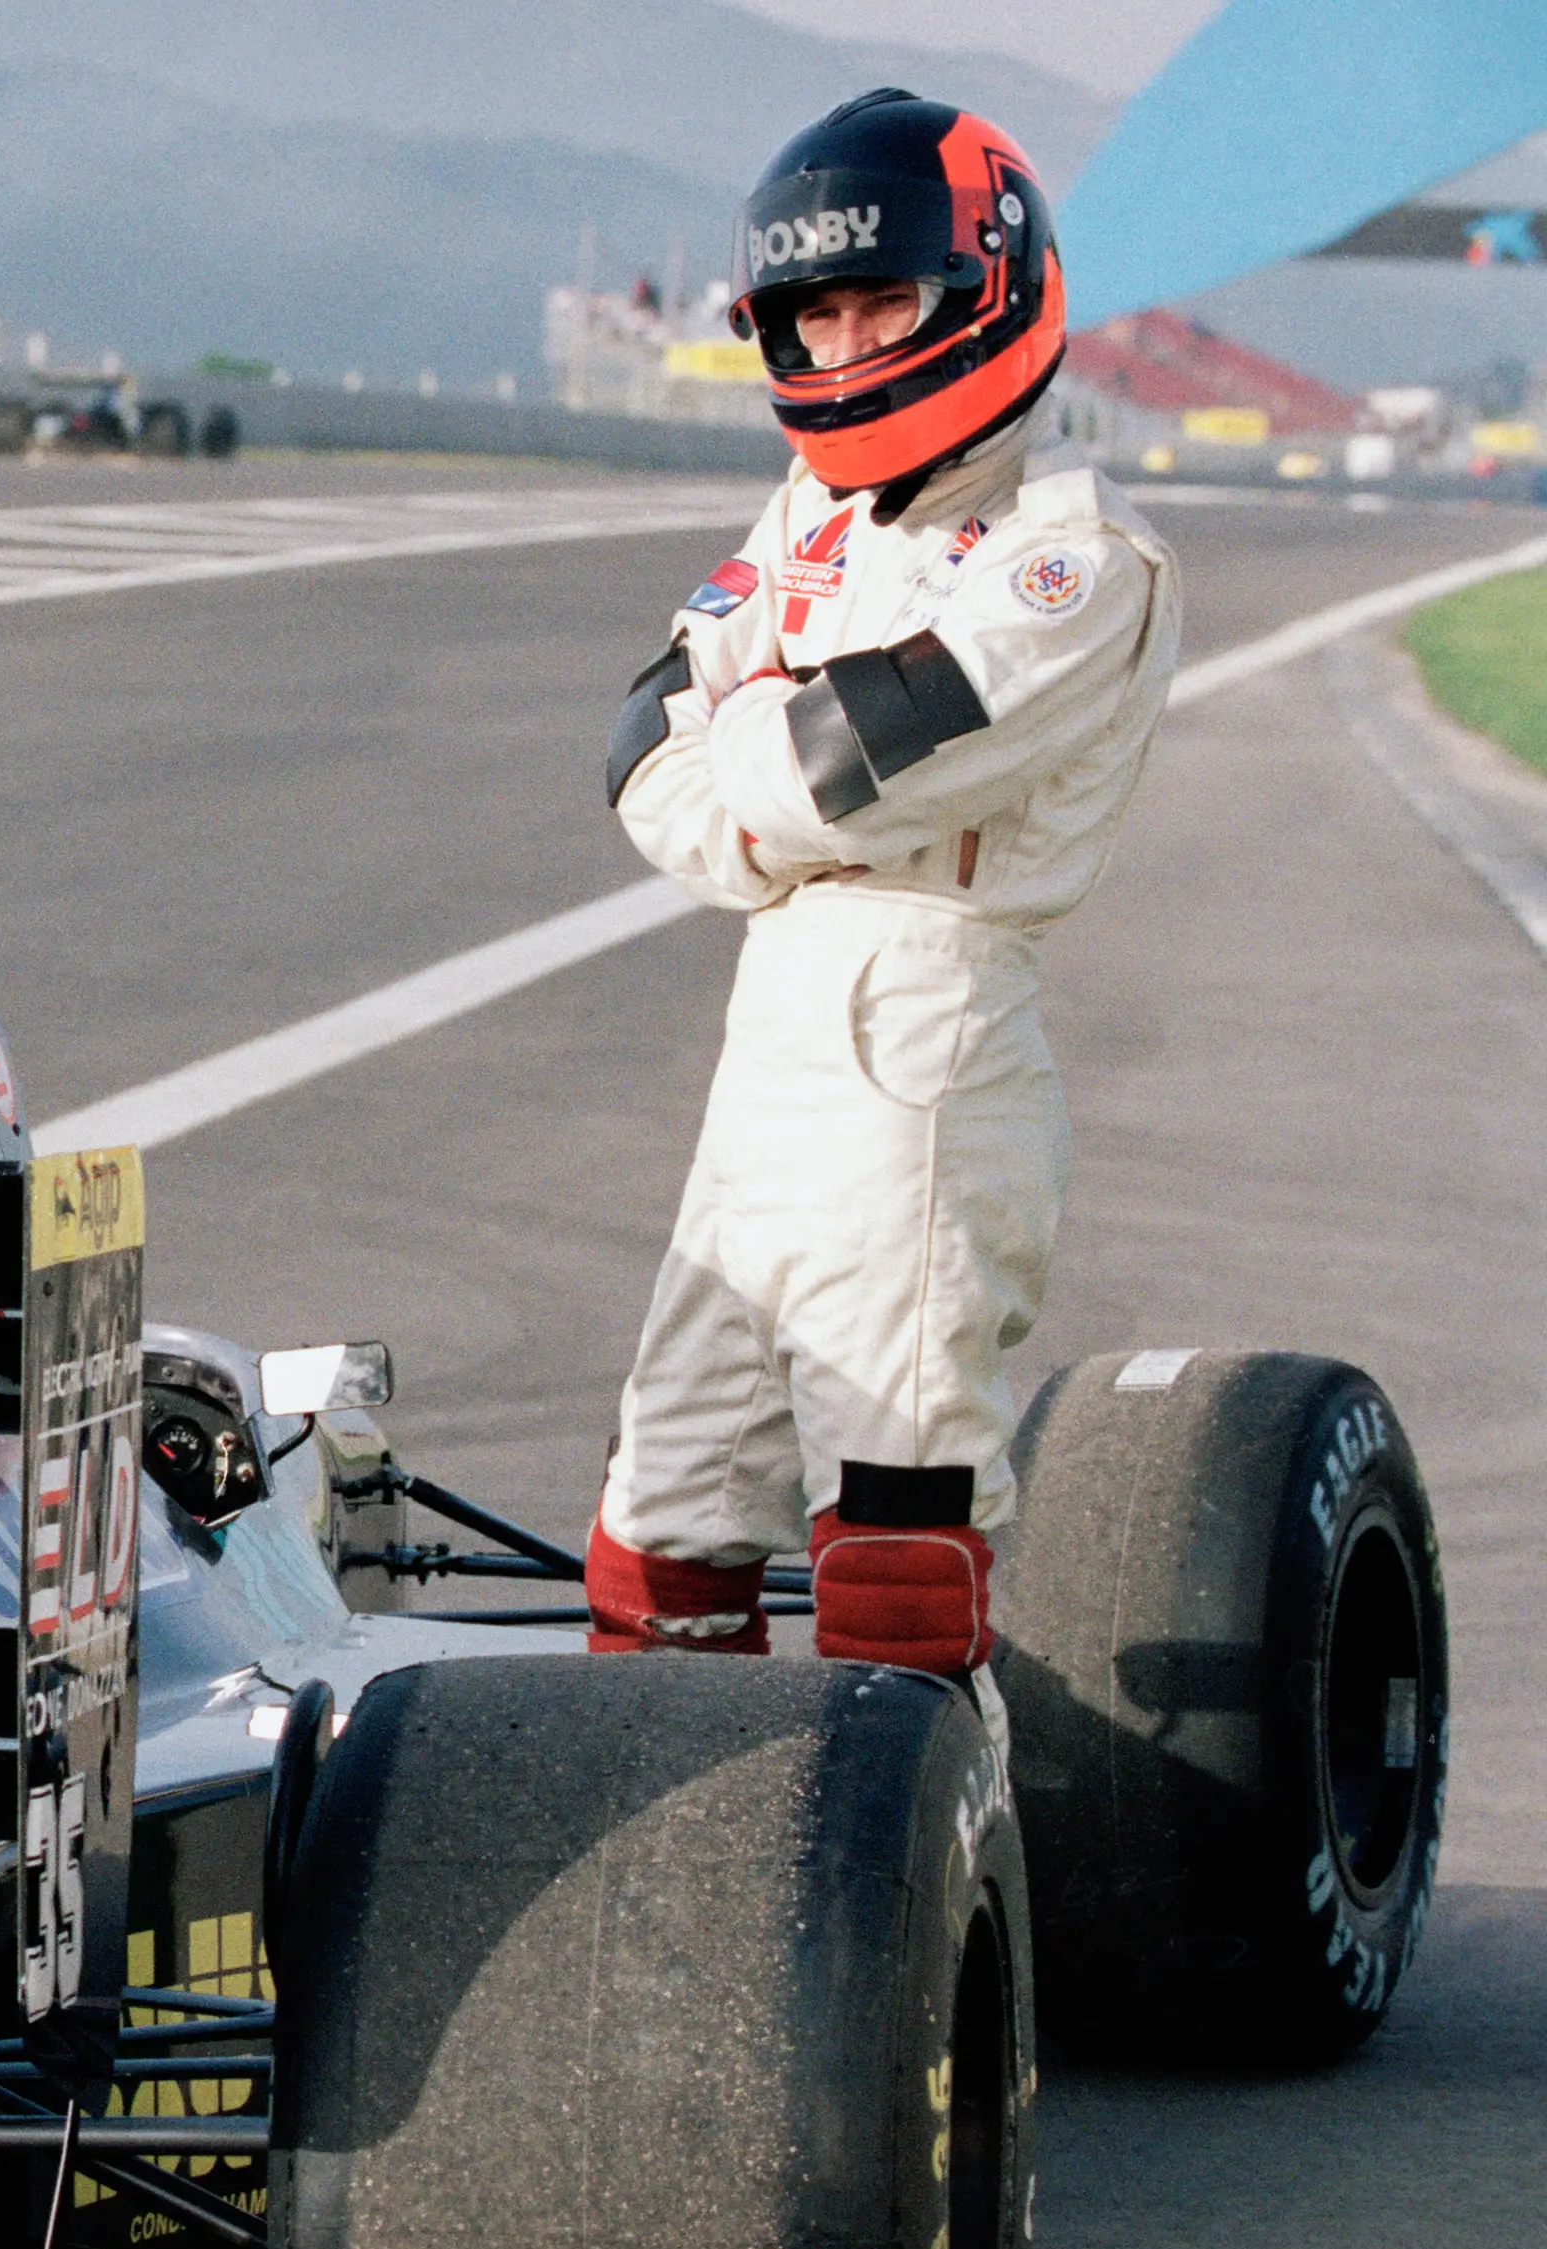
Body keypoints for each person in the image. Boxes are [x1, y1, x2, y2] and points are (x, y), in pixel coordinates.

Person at [590, 88, 1182, 1698]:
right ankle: (688, 1857)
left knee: (899, 1548)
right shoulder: (815, 515)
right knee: (663, 1531)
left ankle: (910, 1911)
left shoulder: (1071, 560)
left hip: (923, 1050)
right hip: (769, 1051)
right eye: (815, 311)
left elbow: (833, 768)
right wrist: (762, 763)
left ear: (985, 289)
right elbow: (650, 753)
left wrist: (757, 745)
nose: (846, 342)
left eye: (884, 300)